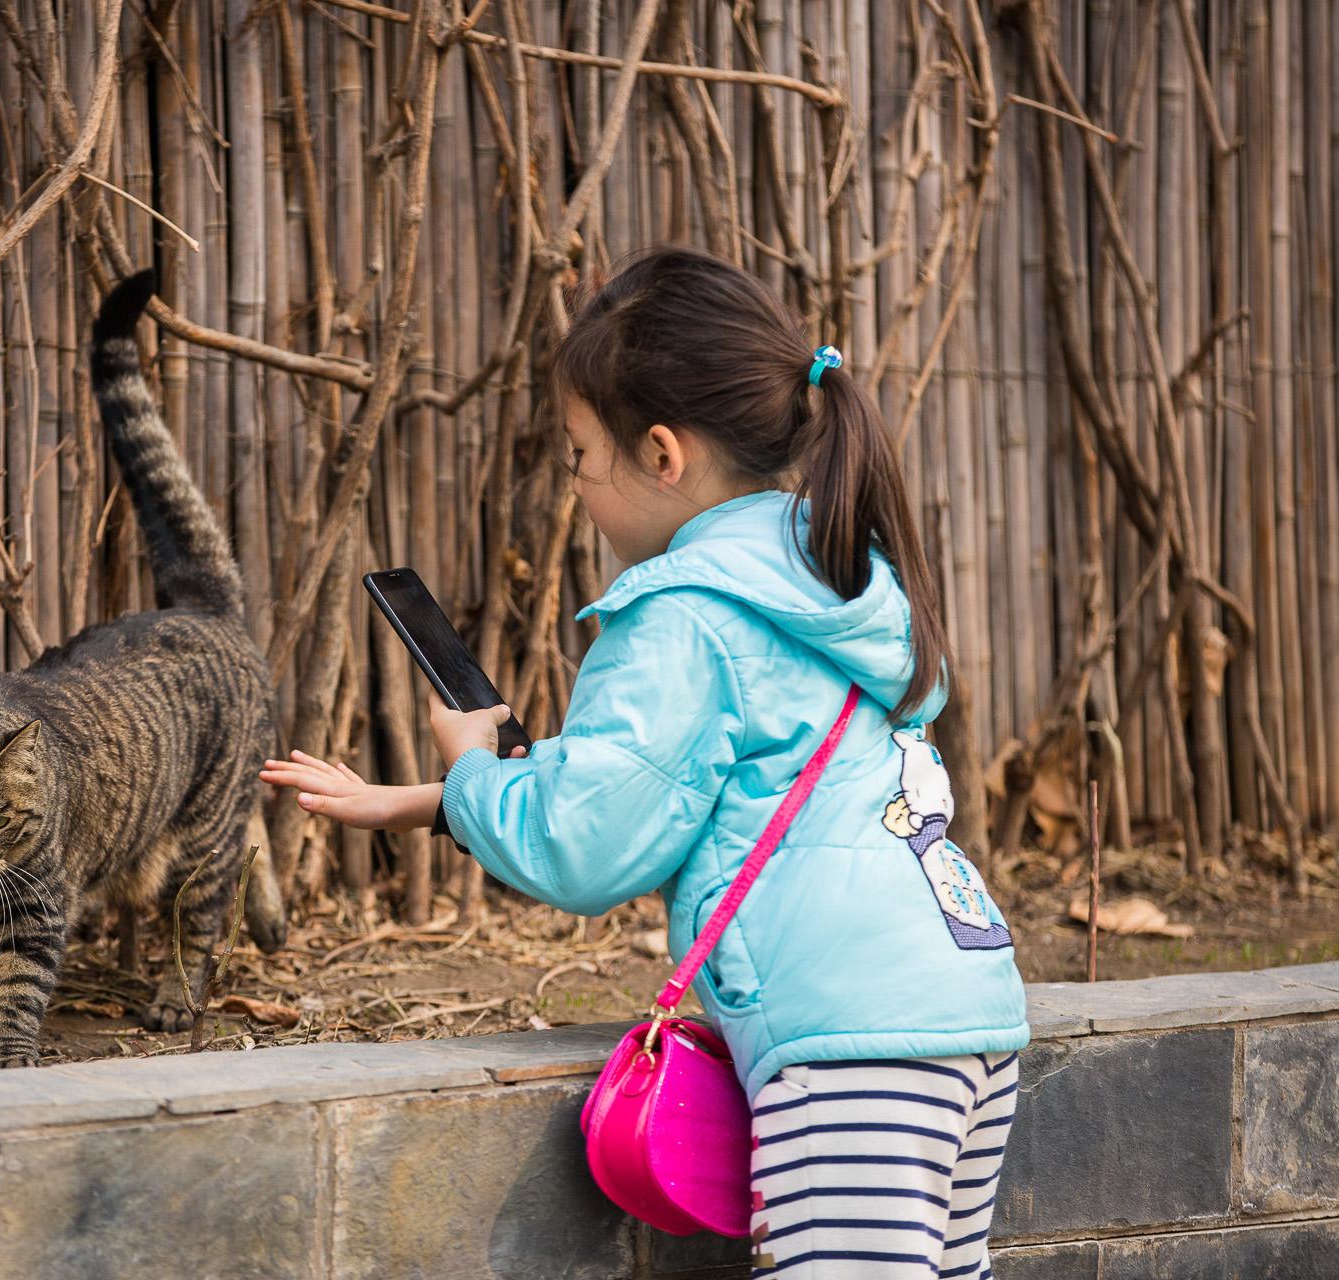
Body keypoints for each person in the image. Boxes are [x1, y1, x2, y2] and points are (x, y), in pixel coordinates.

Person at [261, 246, 1028, 1279]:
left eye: (578, 455)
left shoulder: (685, 614)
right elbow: (678, 777)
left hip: (847, 1049)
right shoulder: (833, 584)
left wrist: (480, 770)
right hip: (964, 1008)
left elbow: (590, 842)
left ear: (662, 454)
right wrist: (435, 798)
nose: (575, 484)